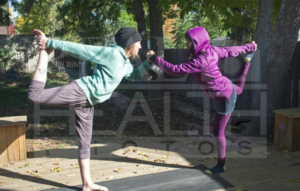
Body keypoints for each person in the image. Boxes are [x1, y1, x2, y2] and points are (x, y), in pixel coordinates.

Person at [29, 27, 152, 191]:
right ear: (130, 43)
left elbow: (135, 75)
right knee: (34, 95)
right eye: (138, 43)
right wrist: (50, 43)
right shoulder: (112, 54)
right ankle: (44, 53)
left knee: (85, 142)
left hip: (88, 102)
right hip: (81, 90)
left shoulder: (125, 63)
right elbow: (82, 49)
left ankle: (87, 184)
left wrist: (148, 63)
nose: (140, 47)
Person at [146, 26, 257, 175]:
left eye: (189, 42)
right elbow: (231, 50)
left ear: (197, 42)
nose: (186, 44)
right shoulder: (211, 50)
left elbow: (175, 70)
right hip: (225, 88)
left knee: (217, 131)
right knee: (238, 89)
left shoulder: (201, 60)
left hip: (225, 97)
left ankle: (221, 165)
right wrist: (249, 46)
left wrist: (154, 58)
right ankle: (248, 59)